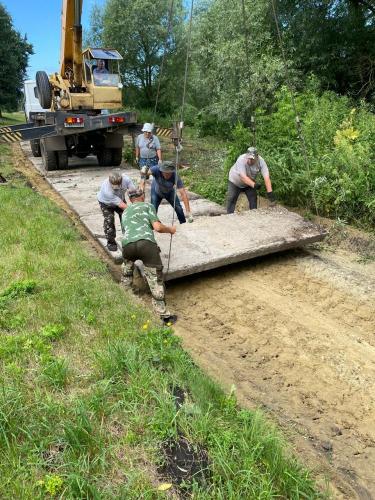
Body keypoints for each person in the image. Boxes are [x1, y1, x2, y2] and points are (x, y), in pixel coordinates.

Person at [121, 187, 177, 325]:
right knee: (154, 277)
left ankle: (124, 295)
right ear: (142, 196)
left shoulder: (125, 211)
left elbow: (127, 232)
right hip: (146, 244)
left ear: (130, 199)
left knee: (127, 267)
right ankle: (163, 315)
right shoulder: (148, 206)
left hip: (127, 245)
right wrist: (170, 230)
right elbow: (157, 227)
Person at [227, 147, 276, 213]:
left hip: (249, 183)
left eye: (252, 159)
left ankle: (253, 214)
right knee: (232, 198)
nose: (249, 161)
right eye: (248, 158)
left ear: (257, 157)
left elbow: (266, 177)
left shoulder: (261, 162)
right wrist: (254, 185)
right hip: (235, 181)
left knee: (253, 198)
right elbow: (243, 177)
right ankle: (229, 215)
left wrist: (270, 192)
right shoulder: (241, 159)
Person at [97, 170, 135, 251]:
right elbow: (122, 205)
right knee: (109, 220)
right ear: (110, 181)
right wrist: (135, 211)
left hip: (120, 198)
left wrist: (136, 204)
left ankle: (128, 239)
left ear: (121, 180)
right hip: (106, 203)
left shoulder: (126, 180)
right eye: (113, 185)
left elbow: (133, 193)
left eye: (118, 184)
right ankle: (111, 242)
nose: (116, 187)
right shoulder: (107, 191)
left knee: (125, 217)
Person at [136, 123, 162, 189]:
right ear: (143, 131)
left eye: (149, 132)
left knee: (155, 174)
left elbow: (158, 149)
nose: (147, 133)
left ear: (151, 132)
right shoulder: (139, 137)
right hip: (143, 159)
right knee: (143, 175)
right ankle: (141, 190)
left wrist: (160, 159)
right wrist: (136, 156)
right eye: (146, 132)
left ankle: (157, 189)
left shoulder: (155, 138)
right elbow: (137, 147)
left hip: (153, 159)